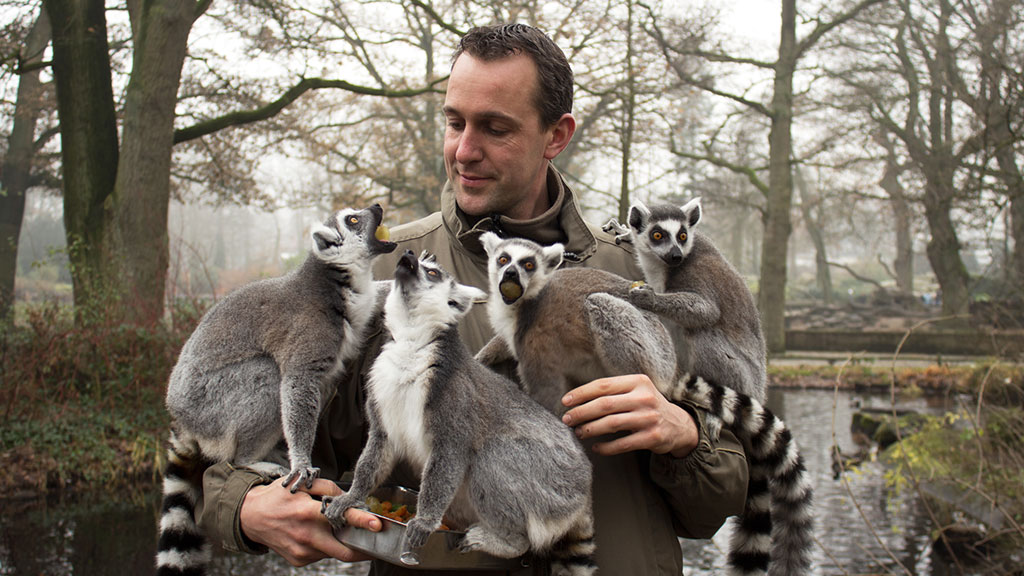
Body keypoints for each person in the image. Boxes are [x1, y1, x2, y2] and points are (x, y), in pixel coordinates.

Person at [196, 23, 748, 575]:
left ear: (556, 135)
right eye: (455, 122)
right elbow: (248, 429)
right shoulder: (385, 272)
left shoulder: (638, 271)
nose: (464, 150)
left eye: (494, 128)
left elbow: (719, 502)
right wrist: (243, 506)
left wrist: (684, 435)